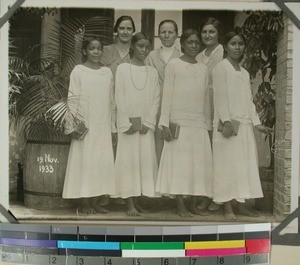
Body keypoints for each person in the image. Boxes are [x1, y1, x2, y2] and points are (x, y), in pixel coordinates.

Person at [212, 29, 273, 220]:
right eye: (233, 44)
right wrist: (227, 121)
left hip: (244, 125)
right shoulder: (220, 68)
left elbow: (248, 100)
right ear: (226, 47)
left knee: (243, 165)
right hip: (227, 125)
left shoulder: (245, 73)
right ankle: (227, 206)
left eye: (240, 44)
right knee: (226, 166)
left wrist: (256, 123)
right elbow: (220, 96)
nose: (237, 47)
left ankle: (241, 204)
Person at [155, 29, 213, 218]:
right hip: (178, 120)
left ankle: (193, 203)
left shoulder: (203, 68)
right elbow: (167, 95)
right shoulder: (174, 65)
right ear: (182, 44)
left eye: (197, 42)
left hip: (198, 122)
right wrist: (164, 123)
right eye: (190, 42)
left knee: (197, 164)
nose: (194, 46)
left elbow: (205, 98)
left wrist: (208, 126)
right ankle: (180, 204)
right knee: (179, 164)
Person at [62, 36, 116, 215]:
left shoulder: (107, 72)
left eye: (99, 48)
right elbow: (73, 98)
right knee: (85, 161)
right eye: (92, 48)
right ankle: (84, 202)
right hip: (84, 123)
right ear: (85, 51)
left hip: (103, 123)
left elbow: (111, 100)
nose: (96, 52)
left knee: (100, 163)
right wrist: (74, 123)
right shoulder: (78, 71)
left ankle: (96, 201)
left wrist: (112, 126)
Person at [114, 32, 160, 216]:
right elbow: (119, 96)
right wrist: (126, 122)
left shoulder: (153, 71)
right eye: (140, 46)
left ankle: (139, 198)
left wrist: (149, 121)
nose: (144, 50)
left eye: (147, 47)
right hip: (129, 125)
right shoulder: (123, 69)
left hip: (145, 125)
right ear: (133, 46)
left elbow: (156, 98)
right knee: (129, 161)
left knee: (144, 161)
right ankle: (129, 202)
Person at [99, 15, 135, 207]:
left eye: (129, 29)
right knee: (108, 147)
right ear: (116, 30)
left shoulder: (136, 51)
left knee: (125, 149)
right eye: (122, 28)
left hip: (129, 105)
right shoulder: (104, 51)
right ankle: (106, 192)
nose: (125, 32)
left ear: (133, 32)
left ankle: (124, 192)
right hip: (106, 104)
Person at [195, 17, 224, 212]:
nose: (207, 35)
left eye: (211, 32)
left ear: (218, 34)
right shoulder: (198, 56)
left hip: (219, 103)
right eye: (204, 32)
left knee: (220, 151)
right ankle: (207, 193)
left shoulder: (223, 52)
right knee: (206, 153)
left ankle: (219, 196)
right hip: (201, 105)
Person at [145, 19, 181, 164]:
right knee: (157, 140)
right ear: (158, 35)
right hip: (156, 103)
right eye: (163, 32)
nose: (166, 35)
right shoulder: (151, 56)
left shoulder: (182, 56)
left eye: (170, 32)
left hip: (176, 104)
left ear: (176, 35)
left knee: (175, 140)